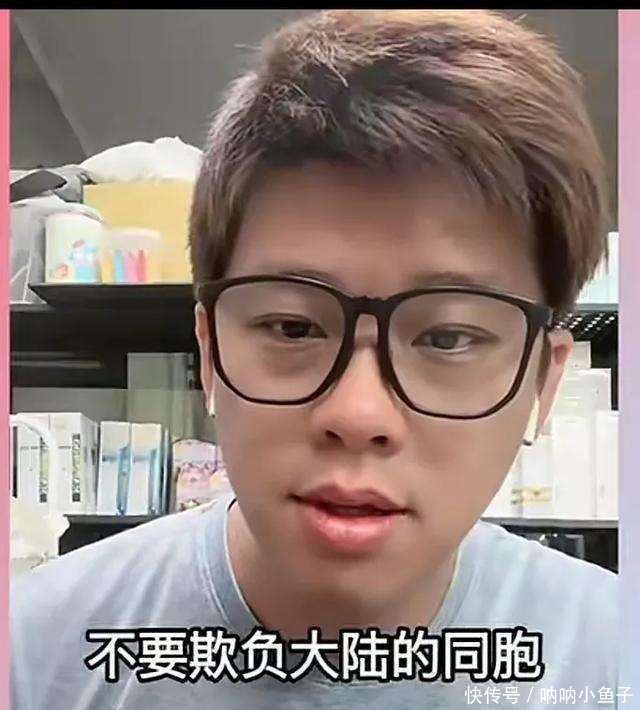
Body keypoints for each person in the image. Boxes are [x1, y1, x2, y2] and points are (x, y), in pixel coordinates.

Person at [11, 9, 617, 709]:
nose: (358, 415)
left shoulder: (613, 654)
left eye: (447, 338)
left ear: (544, 382)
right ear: (209, 351)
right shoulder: (33, 656)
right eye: (293, 327)